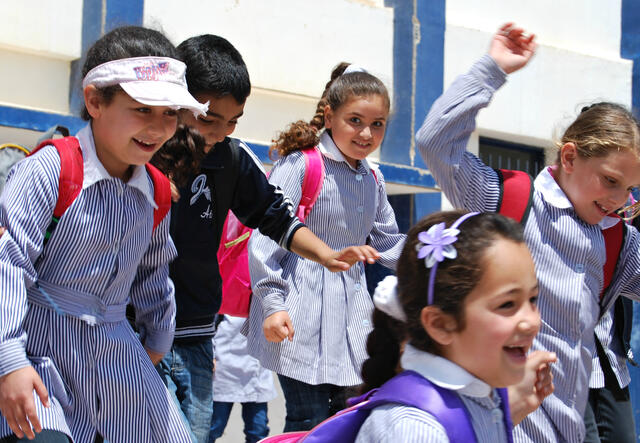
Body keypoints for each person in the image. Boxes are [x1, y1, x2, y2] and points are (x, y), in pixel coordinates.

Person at [416, 22, 640, 442]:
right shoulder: (507, 199)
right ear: (569, 157)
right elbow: (435, 142)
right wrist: (491, 70)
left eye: (629, 189)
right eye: (610, 181)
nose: (618, 199)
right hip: (502, 425)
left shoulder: (617, 240)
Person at [151, 35, 378, 442]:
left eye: (233, 120)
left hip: (195, 333)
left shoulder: (232, 158)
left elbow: (275, 217)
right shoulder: (142, 153)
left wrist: (326, 255)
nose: (220, 131)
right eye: (208, 118)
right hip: (136, 334)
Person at [0, 26, 203, 442]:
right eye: (143, 109)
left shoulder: (157, 192)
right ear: (94, 100)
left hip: (119, 353)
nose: (159, 127)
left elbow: (152, 273)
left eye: (169, 114)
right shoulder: (49, 171)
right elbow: (9, 265)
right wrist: (9, 361)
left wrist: (158, 339)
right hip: (37, 352)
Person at [245, 62, 406, 432]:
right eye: (355, 120)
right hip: (298, 316)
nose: (366, 133)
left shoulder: (373, 178)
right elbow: (266, 237)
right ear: (330, 117)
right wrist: (272, 305)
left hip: (352, 323)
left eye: (377, 123)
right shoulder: (302, 164)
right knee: (308, 422)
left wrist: (435, 256)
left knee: (345, 422)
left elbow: (388, 243)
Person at [355, 210, 544, 442]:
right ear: (440, 324)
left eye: (532, 299)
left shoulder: (486, 397)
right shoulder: (414, 430)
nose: (532, 322)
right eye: (507, 304)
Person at [209, 315, 277, 443]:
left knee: (258, 431)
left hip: (256, 372)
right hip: (223, 368)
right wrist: (210, 354)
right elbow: (209, 324)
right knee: (214, 428)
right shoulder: (224, 296)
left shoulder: (264, 296)